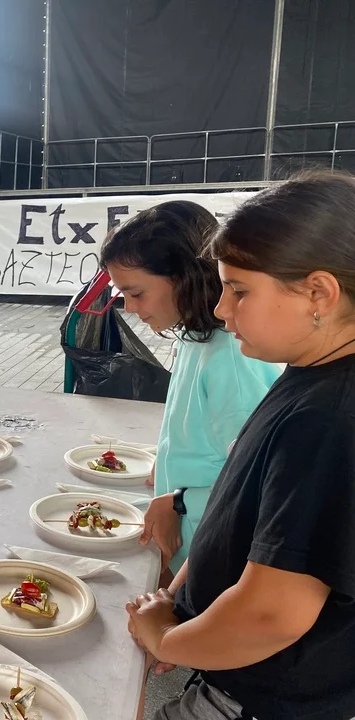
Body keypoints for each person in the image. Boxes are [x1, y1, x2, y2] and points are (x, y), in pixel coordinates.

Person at [127, 171, 355, 720]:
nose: (221, 309)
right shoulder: (310, 370)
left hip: (264, 697)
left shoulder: (330, 420)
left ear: (319, 294)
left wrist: (167, 640)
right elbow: (237, 505)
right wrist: (180, 603)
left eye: (240, 291)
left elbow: (271, 615)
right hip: (229, 662)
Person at [101, 201, 280, 587]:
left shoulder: (232, 357)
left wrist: (180, 500)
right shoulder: (195, 334)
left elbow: (261, 481)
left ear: (185, 278)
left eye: (136, 293)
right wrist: (166, 461)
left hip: (211, 554)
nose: (129, 307)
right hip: (185, 537)